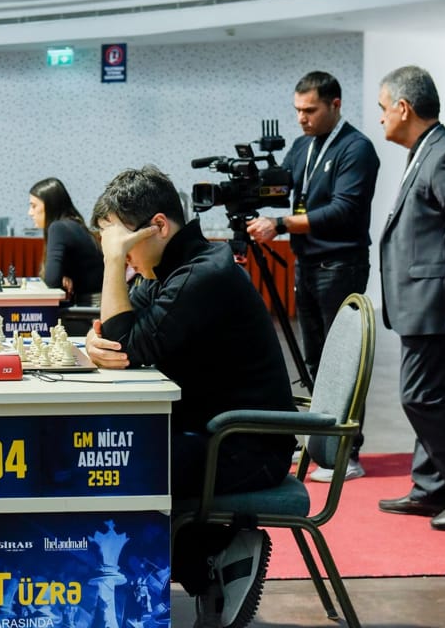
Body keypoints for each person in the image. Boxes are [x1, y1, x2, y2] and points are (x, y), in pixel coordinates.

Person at [84, 165, 296, 627]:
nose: (117, 253)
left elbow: (126, 344)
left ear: (158, 226)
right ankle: (212, 555)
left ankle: (213, 554)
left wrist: (112, 265)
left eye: (120, 242)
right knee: (115, 458)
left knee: (118, 466)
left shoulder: (203, 275)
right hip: (215, 434)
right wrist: (94, 340)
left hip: (247, 447)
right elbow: (117, 334)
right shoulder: (172, 270)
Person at [246, 71, 379, 483]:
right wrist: (252, 186)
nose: (301, 118)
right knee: (315, 359)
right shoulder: (303, 146)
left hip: (340, 264)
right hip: (307, 264)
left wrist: (280, 224)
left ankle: (347, 452)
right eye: (297, 110)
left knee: (344, 361)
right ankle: (321, 442)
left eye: (310, 110)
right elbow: (280, 190)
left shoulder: (356, 148)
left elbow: (344, 210)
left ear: (335, 105)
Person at [375, 66, 445, 532]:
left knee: (420, 398)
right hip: (425, 302)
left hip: (437, 303)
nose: (381, 118)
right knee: (435, 396)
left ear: (403, 107)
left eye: (383, 108)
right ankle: (431, 487)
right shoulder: (427, 150)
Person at [27, 177, 104, 304]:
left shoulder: (58, 228)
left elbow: (51, 282)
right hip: (96, 302)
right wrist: (63, 275)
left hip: (92, 308)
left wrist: (57, 277)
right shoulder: (73, 224)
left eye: (34, 206)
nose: (30, 213)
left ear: (50, 205)